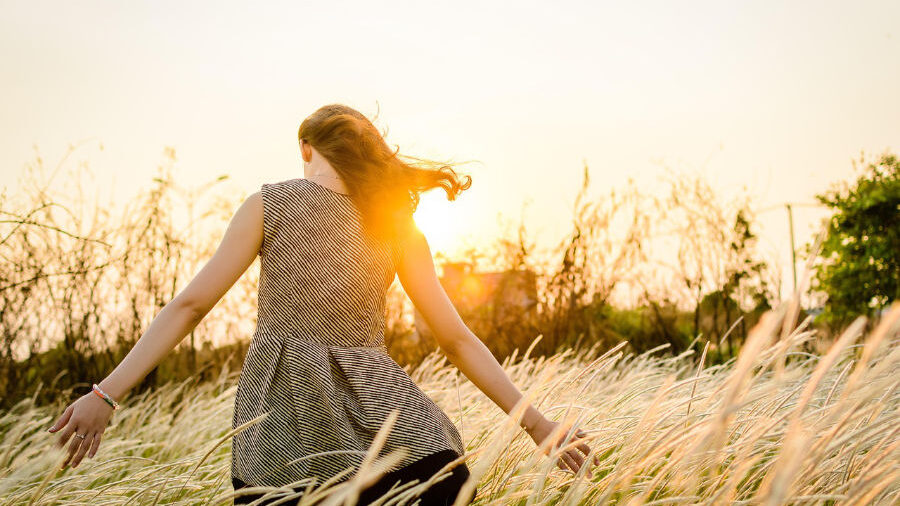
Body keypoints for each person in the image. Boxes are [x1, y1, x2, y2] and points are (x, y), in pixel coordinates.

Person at [47, 104, 597, 505]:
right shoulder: (395, 227)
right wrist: (538, 424)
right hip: (386, 425)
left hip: (280, 430)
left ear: (307, 149)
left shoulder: (269, 203)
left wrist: (106, 394)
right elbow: (455, 339)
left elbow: (190, 307)